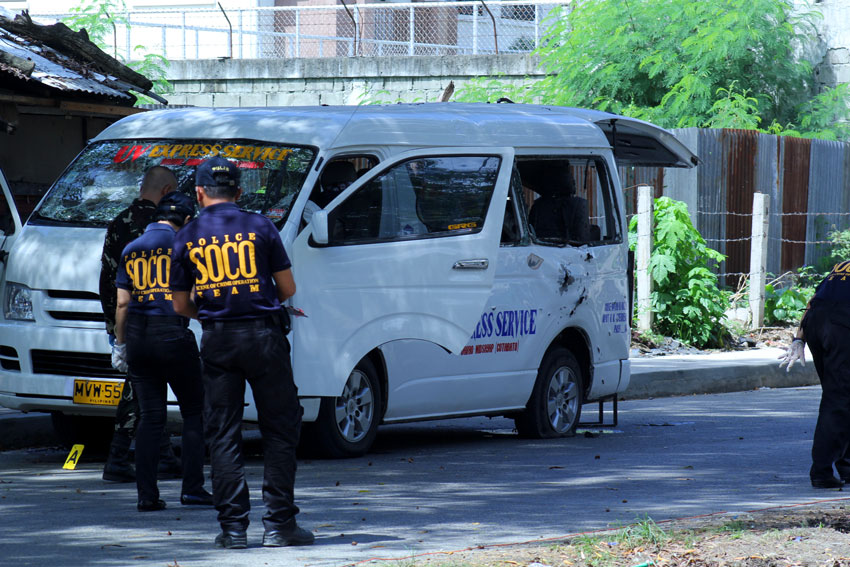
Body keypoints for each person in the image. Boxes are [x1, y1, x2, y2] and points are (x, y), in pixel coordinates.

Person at [170, 156, 314, 549]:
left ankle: (233, 529)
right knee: (280, 429)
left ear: (199, 193)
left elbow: (180, 306)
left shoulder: (185, 236)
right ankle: (280, 525)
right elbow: (286, 289)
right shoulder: (260, 226)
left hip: (218, 340)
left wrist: (214, 312)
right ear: (238, 191)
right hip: (264, 338)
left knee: (223, 434)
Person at [113, 191, 213, 511]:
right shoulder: (185, 248)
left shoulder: (130, 249)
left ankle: (147, 496)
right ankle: (193, 489)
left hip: (139, 341)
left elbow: (122, 303)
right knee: (194, 413)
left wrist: (120, 344)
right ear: (185, 220)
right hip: (173, 336)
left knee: (150, 418)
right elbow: (196, 296)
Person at [99, 166, 182, 482]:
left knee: (149, 386)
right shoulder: (156, 228)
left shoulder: (119, 222)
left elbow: (107, 278)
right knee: (137, 388)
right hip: (147, 320)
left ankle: (163, 456)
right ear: (164, 193)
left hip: (122, 318)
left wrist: (112, 326)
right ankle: (117, 457)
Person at [780, 259, 850, 489]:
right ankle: (821, 472)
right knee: (838, 399)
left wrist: (799, 339)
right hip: (839, 326)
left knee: (840, 395)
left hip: (816, 326)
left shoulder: (842, 266)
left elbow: (812, 302)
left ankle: (847, 465)